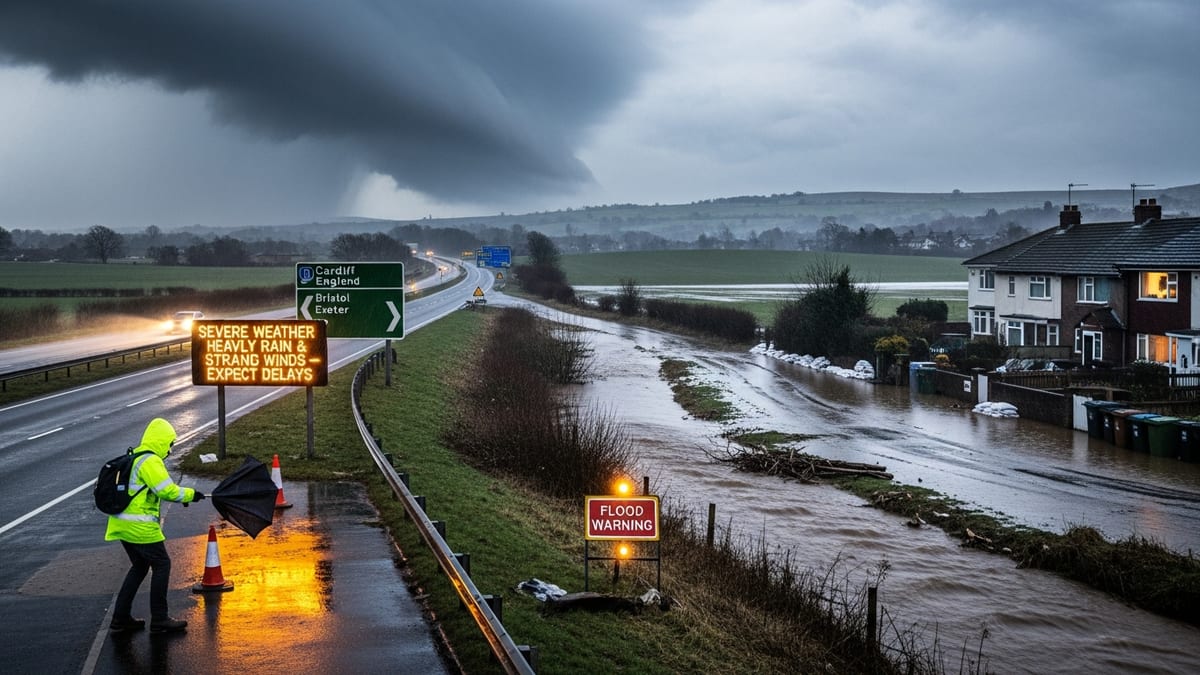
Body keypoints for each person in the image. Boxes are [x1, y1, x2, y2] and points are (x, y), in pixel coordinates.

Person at [105, 417, 204, 634]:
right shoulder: (150, 461)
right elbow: (166, 490)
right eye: (169, 444)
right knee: (162, 565)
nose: (170, 449)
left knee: (140, 566)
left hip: (121, 524)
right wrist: (191, 494)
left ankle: (120, 618)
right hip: (139, 527)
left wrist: (184, 497)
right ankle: (159, 619)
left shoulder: (135, 456)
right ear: (161, 441)